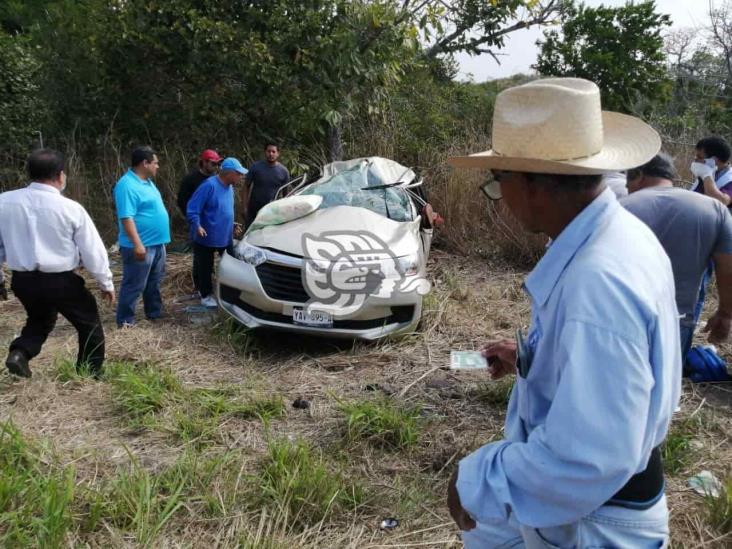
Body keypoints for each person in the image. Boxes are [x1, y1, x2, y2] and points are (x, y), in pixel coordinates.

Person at [447, 78, 680, 547]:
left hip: (594, 521)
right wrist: (535, 355)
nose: (500, 197)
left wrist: (474, 479)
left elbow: (588, 458)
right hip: (591, 509)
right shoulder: (616, 237)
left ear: (533, 186)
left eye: (499, 180)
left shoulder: (597, 283)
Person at [0, 149, 114, 378]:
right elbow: (92, 250)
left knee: (40, 318)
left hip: (23, 280)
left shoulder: (4, 202)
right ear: (61, 175)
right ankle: (90, 372)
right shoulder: (70, 208)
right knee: (88, 322)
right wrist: (106, 282)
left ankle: (19, 353)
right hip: (61, 280)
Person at [623, 153, 732, 371]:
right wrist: (725, 313)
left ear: (639, 176)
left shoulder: (620, 207)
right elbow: (727, 266)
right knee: (666, 395)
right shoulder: (713, 209)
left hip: (624, 320)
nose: (627, 188)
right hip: (678, 320)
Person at [113, 146, 170, 327]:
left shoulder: (147, 182)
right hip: (140, 245)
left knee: (154, 281)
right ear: (144, 163)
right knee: (134, 284)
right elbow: (126, 217)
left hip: (157, 243)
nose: (157, 166)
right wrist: (137, 244)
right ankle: (125, 321)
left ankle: (153, 312)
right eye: (155, 163)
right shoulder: (127, 185)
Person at [187, 157, 247, 307]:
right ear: (229, 173)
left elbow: (221, 208)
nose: (241, 177)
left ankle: (231, 294)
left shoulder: (230, 187)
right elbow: (192, 208)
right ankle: (205, 295)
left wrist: (230, 223)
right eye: (238, 174)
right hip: (206, 236)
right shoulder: (209, 186)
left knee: (232, 264)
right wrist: (197, 225)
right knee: (205, 267)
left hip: (224, 236)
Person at [243, 142, 289, 227]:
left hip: (272, 211)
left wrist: (284, 213)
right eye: (268, 151)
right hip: (253, 210)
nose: (271, 154)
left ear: (278, 153)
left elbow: (285, 194)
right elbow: (246, 186)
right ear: (265, 152)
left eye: (273, 151)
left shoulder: (283, 171)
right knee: (249, 235)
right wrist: (245, 207)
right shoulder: (255, 167)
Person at [176, 149, 223, 217]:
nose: (216, 167)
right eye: (213, 164)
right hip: (197, 220)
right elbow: (181, 200)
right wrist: (191, 218)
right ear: (204, 162)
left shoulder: (217, 179)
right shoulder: (190, 179)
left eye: (218, 164)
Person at [690, 136, 732, 207]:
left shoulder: (729, 180)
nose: (695, 159)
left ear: (713, 161)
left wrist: (706, 176)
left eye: (699, 157)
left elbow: (722, 201)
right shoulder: (709, 172)